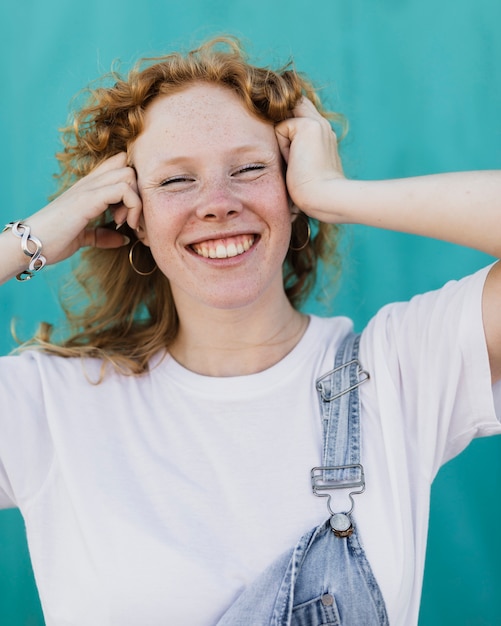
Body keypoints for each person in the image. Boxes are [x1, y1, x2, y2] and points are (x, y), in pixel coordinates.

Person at [0, 36, 500, 626]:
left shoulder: (400, 370)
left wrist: (332, 194)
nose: (218, 203)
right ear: (128, 216)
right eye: (176, 181)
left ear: (291, 193)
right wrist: (29, 239)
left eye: (250, 168)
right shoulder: (47, 406)